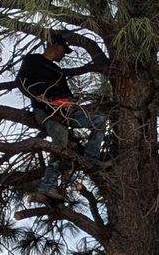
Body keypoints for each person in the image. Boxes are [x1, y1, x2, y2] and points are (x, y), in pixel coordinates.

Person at [13, 34, 102, 198]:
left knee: (99, 120)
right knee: (60, 136)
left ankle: (91, 158)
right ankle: (48, 186)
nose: (64, 54)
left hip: (66, 111)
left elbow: (68, 95)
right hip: (44, 111)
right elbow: (21, 82)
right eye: (63, 50)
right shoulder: (33, 60)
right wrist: (40, 98)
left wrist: (71, 103)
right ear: (55, 45)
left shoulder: (58, 71)